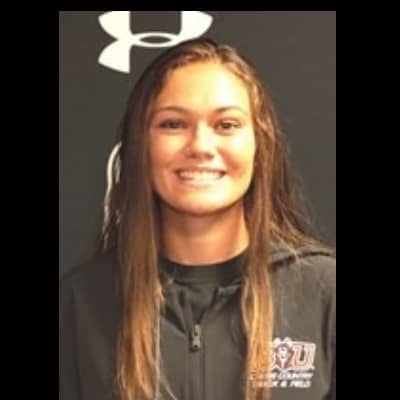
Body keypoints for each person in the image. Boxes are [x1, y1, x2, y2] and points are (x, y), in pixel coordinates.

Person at [59, 38, 336, 400]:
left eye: (226, 125)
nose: (201, 146)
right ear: (140, 145)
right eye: (173, 124)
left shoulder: (324, 292)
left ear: (260, 143)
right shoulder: (80, 304)